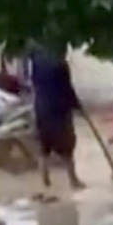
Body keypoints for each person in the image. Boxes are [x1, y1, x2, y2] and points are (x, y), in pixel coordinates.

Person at [26, 43, 85, 190]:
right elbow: (67, 89)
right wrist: (78, 106)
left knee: (43, 147)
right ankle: (73, 181)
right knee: (67, 147)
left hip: (41, 108)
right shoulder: (61, 65)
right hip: (59, 110)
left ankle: (45, 181)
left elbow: (35, 84)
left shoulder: (36, 64)